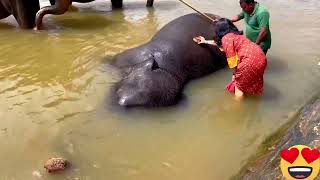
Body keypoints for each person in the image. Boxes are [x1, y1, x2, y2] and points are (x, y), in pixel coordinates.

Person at [193, 18, 267, 100]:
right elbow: (220, 44)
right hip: (261, 58)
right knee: (253, 80)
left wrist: (235, 75)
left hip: (249, 62)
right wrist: (205, 41)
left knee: (238, 86)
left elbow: (232, 60)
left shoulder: (226, 39)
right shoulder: (236, 35)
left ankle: (238, 107)